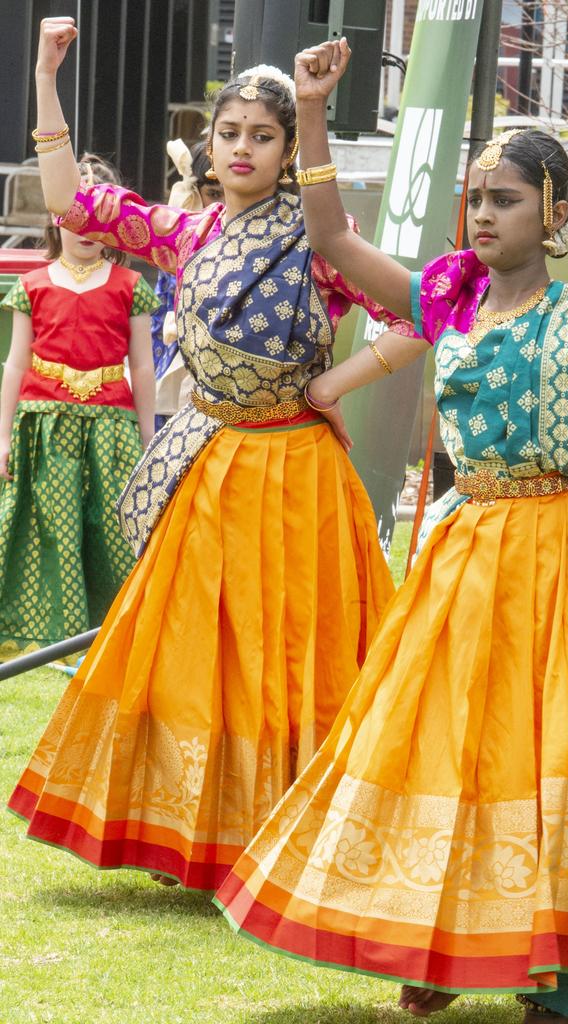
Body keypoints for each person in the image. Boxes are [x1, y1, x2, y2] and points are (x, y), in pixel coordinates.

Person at [213, 40, 568, 1022]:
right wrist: (320, 108)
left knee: (548, 752)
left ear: (553, 214)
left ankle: (555, 959)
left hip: (562, 558)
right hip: (467, 553)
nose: (483, 213)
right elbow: (334, 241)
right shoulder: (447, 297)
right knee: (440, 741)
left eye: (505, 197)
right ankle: (438, 940)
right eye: (475, 197)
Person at [8, 18, 416, 892]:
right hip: (212, 464)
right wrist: (45, 77)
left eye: (261, 137)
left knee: (295, 650)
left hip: (298, 469)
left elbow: (413, 321)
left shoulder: (318, 239)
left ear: (282, 148)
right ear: (210, 142)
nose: (241, 149)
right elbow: (72, 203)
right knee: (203, 648)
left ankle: (297, 834)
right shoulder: (185, 234)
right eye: (228, 133)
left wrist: (331, 387)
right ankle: (190, 832)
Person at [0, 154, 156, 662]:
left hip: (112, 428)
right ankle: (47, 633)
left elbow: (145, 368)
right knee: (49, 524)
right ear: (54, 216)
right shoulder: (32, 287)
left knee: (110, 528)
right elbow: (14, 365)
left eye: (97, 213)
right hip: (43, 426)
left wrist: (150, 438)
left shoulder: (131, 288)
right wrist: (2, 437)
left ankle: (113, 629)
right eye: (73, 212)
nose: (85, 226)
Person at [152, 139, 223, 426]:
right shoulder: (179, 240)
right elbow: (159, 318)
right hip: (178, 371)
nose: (224, 203)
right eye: (214, 193)